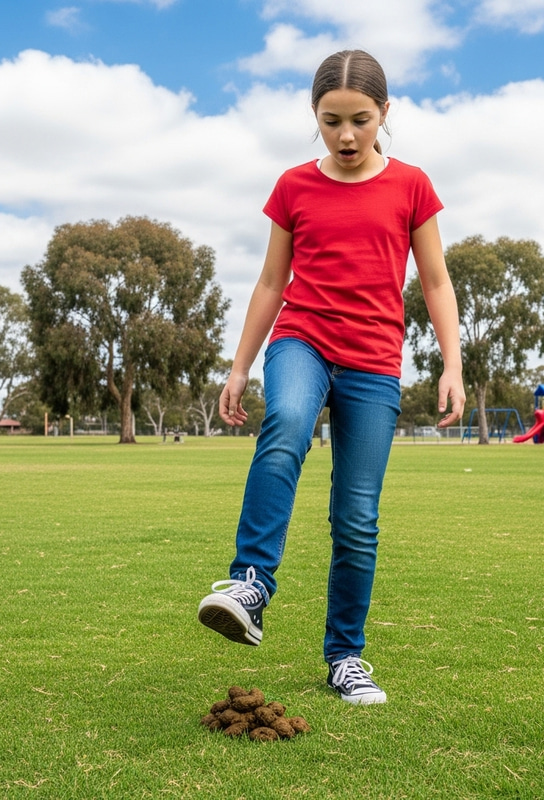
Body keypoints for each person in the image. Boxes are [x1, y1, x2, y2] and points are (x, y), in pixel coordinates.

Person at [198, 49, 465, 705]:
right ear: (315, 117)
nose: (346, 135)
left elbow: (435, 280)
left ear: (384, 114)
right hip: (303, 337)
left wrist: (452, 364)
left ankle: (345, 657)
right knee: (286, 420)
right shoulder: (294, 186)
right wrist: (237, 367)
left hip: (374, 360)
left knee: (356, 518)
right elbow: (270, 282)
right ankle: (251, 581)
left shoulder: (412, 186)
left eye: (360, 120)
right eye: (331, 121)